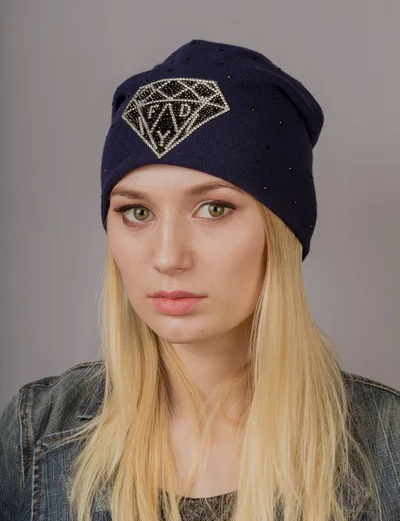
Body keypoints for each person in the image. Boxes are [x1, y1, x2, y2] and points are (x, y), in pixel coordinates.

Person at [0, 38, 399, 521]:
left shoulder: (387, 445)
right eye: (137, 211)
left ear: (282, 232)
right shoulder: (36, 427)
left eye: (214, 209)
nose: (168, 257)